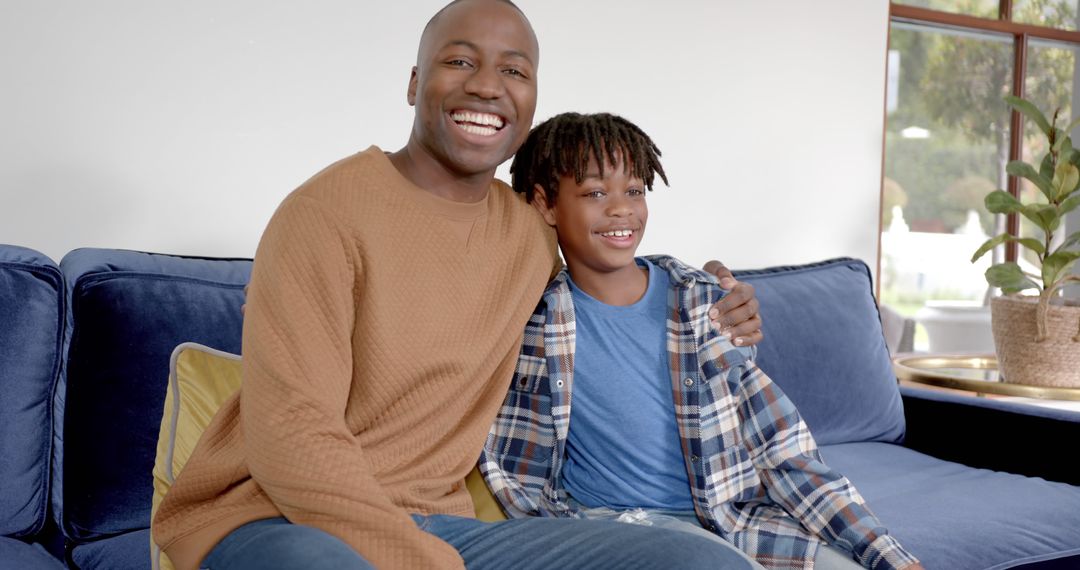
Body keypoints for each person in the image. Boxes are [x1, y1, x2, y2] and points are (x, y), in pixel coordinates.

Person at [152, 1, 763, 569]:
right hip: (277, 517)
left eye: (514, 71)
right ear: (415, 84)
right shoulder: (322, 214)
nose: (487, 85)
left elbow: (608, 273)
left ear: (531, 100)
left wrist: (703, 293)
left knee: (699, 561)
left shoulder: (527, 232)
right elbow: (290, 437)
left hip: (442, 527)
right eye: (460, 61)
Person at [479, 112, 924, 570]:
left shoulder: (703, 303)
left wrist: (886, 552)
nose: (621, 209)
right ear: (544, 204)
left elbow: (780, 447)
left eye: (634, 190)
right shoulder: (530, 318)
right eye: (595, 193)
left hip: (735, 521)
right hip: (618, 528)